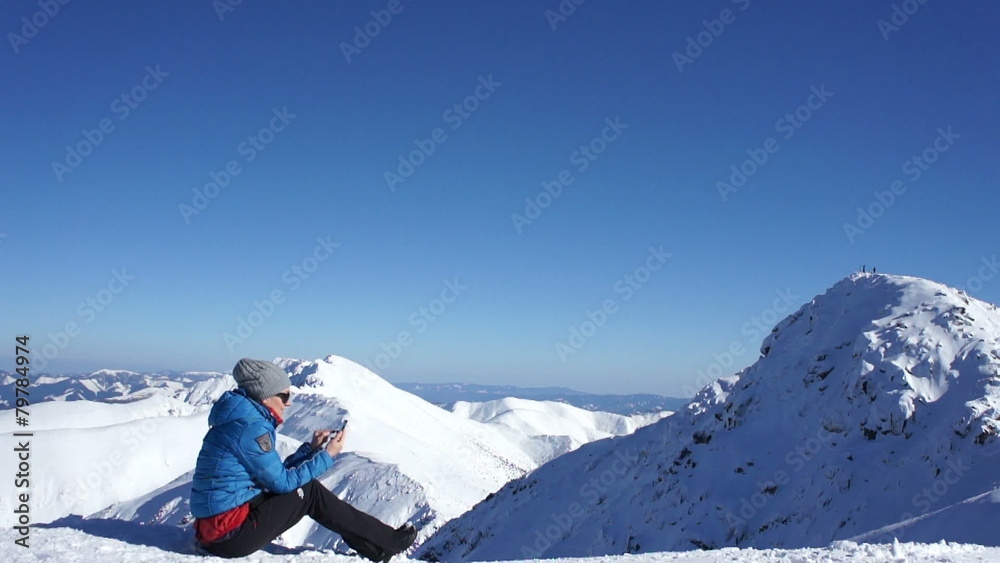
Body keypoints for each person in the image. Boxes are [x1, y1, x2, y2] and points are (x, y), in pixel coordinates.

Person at [190, 358, 417, 560]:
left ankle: (378, 547)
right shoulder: (251, 428)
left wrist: (310, 450)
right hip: (228, 534)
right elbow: (283, 483)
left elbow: (273, 477)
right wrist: (328, 455)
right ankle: (386, 543)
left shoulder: (240, 420)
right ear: (265, 396)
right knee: (309, 492)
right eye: (285, 395)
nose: (288, 402)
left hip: (216, 528)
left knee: (306, 489)